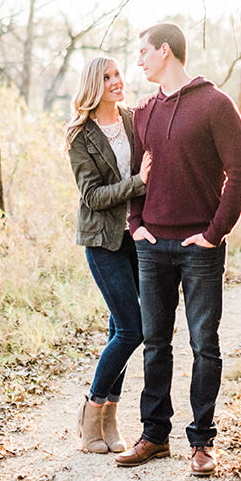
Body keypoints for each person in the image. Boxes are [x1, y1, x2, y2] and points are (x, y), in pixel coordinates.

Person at [116, 22, 241, 476]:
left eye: (143, 53)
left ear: (167, 51)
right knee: (155, 344)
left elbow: (240, 175)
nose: (138, 62)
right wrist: (135, 224)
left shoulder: (215, 105)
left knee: (203, 345)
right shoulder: (145, 112)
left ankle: (202, 442)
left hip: (200, 247)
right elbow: (139, 174)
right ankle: (154, 436)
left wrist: (215, 232)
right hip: (153, 247)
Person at [66, 55, 151, 454]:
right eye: (108, 77)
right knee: (132, 330)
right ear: (93, 85)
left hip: (137, 237)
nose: (118, 81)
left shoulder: (135, 120)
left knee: (118, 329)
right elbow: (92, 196)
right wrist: (138, 183)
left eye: (118, 74)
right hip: (103, 242)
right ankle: (91, 408)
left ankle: (109, 419)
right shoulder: (81, 136)